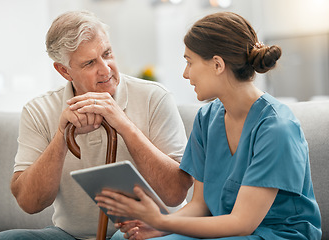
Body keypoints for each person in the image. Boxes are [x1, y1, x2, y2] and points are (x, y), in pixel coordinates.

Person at [96, 12, 322, 240]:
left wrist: (161, 220)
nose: (185, 74)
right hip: (225, 230)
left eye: (189, 62)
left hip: (273, 234)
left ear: (217, 64)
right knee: (120, 238)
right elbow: (200, 206)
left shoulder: (276, 128)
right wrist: (160, 228)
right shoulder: (207, 118)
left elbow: (242, 223)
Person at [0, 10, 192, 240]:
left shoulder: (155, 97)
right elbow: (29, 202)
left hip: (149, 231)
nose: (106, 69)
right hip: (71, 235)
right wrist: (61, 137)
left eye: (107, 53)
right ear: (64, 71)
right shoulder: (38, 110)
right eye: (89, 63)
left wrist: (123, 124)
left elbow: (175, 193)